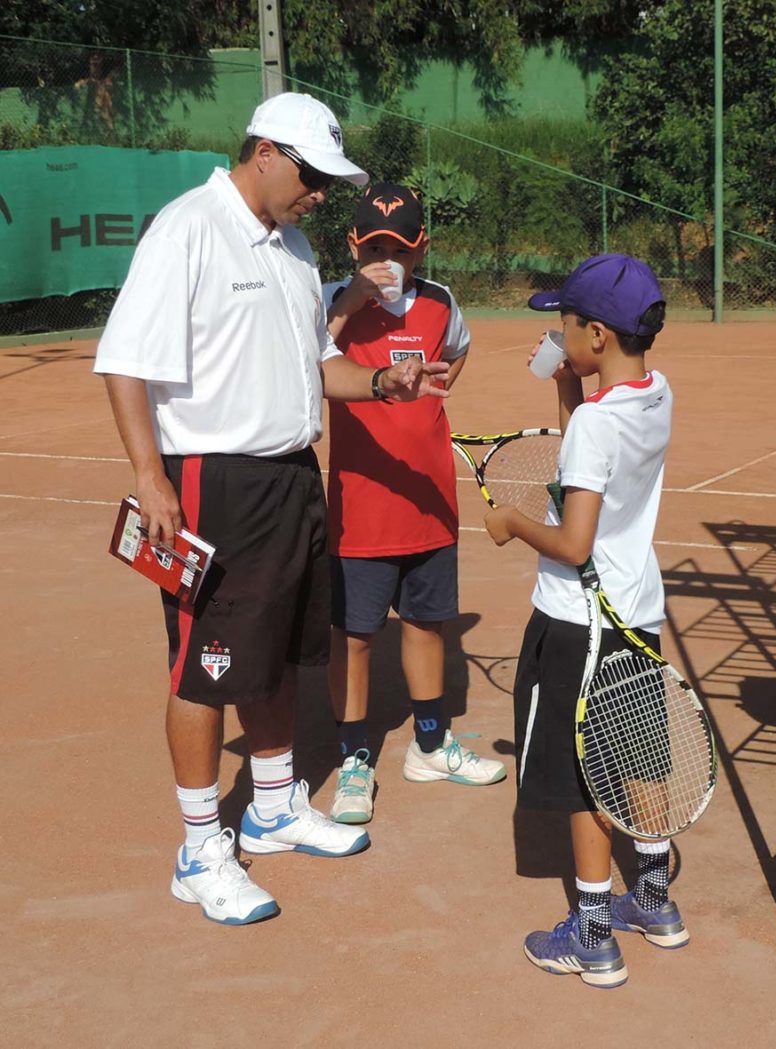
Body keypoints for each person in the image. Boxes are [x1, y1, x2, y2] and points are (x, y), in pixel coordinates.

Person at [94, 93, 451, 927]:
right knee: (205, 663)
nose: (320, 193)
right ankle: (198, 850)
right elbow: (124, 361)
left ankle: (275, 803)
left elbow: (318, 366)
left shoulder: (293, 248)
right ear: (265, 153)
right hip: (211, 480)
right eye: (312, 176)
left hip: (293, 475)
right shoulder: (187, 229)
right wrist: (148, 474)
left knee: (284, 652)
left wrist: (383, 381)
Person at [484, 254, 688, 988]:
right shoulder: (655, 393)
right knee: (638, 758)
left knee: (583, 777)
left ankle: (594, 935)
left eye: (565, 325)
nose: (557, 335)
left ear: (596, 334)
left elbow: (573, 542)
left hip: (579, 621)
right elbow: (591, 462)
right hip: (636, 613)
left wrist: (512, 522)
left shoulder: (596, 425)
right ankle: (655, 903)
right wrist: (570, 387)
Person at [322, 182, 506, 825]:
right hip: (360, 508)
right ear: (353, 245)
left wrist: (433, 393)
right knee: (354, 637)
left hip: (429, 500)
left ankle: (430, 746)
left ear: (421, 248)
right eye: (374, 248)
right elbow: (304, 357)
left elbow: (458, 350)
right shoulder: (329, 304)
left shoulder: (440, 303)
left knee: (428, 625)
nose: (386, 261)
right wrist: (351, 301)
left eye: (398, 250)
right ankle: (353, 758)